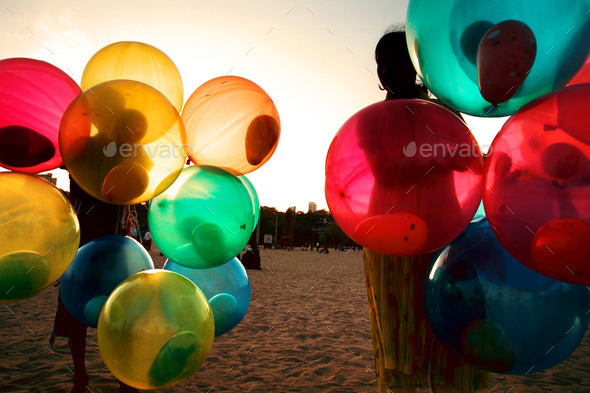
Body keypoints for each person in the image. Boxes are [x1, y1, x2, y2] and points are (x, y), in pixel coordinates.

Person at [361, 29, 490, 393]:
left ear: (415, 64)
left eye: (394, 60)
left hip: (446, 230)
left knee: (450, 313)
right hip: (390, 236)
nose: (385, 70)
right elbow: (384, 171)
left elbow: (469, 163)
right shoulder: (371, 120)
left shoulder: (445, 112)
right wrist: (440, 162)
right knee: (398, 323)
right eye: (380, 63)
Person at [50, 175, 139, 393]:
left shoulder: (124, 161)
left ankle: (122, 380)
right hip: (83, 244)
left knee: (121, 318)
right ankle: (80, 377)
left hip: (114, 248)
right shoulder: (83, 158)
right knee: (76, 317)